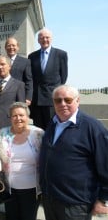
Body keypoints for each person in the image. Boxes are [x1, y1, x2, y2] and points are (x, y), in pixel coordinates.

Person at [39, 85, 108, 220]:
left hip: (75, 204)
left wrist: (103, 199)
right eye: (58, 100)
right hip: (50, 200)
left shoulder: (92, 127)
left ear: (78, 101)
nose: (63, 104)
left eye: (68, 100)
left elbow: (105, 164)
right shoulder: (52, 124)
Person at [0, 102, 44, 220]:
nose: (18, 118)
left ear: (27, 117)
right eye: (14, 116)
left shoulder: (38, 134)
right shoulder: (2, 133)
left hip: (32, 190)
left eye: (21, 115)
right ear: (10, 118)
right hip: (9, 189)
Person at [28, 28, 68, 130]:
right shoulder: (32, 56)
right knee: (38, 130)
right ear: (38, 40)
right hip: (37, 100)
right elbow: (31, 77)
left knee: (52, 128)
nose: (44, 40)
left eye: (47, 37)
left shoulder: (61, 54)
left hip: (52, 99)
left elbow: (63, 77)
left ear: (51, 39)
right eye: (42, 37)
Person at [0, 56, 25, 138]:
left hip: (10, 125)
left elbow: (21, 108)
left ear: (9, 66)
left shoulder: (18, 85)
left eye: (3, 64)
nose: (0, 67)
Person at [5, 37, 33, 105]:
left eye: (13, 45)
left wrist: (28, 97)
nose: (11, 47)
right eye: (9, 45)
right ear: (5, 48)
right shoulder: (2, 61)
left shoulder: (25, 62)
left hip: (19, 96)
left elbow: (28, 80)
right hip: (4, 96)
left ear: (18, 47)